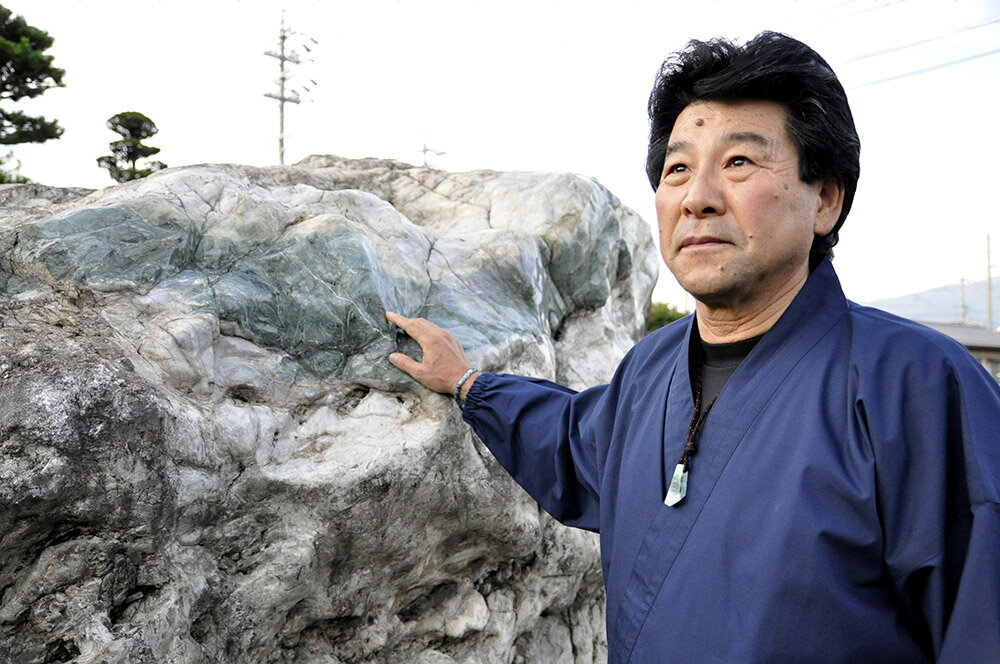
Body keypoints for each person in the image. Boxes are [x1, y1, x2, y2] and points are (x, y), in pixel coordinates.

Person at [385, 31, 1000, 663]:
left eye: (739, 162)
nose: (698, 198)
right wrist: (467, 384)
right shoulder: (649, 369)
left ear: (825, 199)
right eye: (677, 169)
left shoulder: (918, 385)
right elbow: (574, 442)